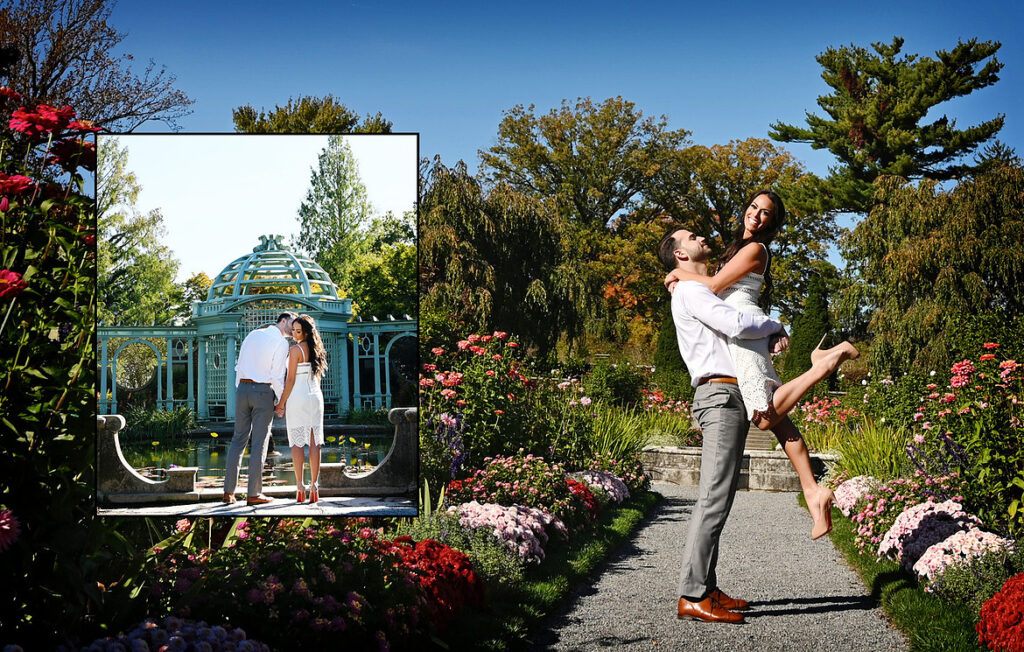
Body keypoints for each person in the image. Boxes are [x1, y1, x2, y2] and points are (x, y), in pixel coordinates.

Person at [664, 190, 858, 540]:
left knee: (765, 416)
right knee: (782, 424)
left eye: (766, 213)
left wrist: (677, 275)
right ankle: (814, 492)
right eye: (754, 207)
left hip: (747, 330)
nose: (757, 215)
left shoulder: (754, 249)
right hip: (744, 330)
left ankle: (822, 366)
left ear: (773, 221)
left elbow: (712, 285)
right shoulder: (737, 248)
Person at [658, 225, 789, 624]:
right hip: (718, 395)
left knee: (721, 496)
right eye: (691, 238)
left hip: (726, 394)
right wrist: (775, 326)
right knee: (714, 497)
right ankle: (693, 594)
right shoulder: (692, 290)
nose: (700, 238)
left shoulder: (698, 287)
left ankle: (707, 586)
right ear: (680, 255)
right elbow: (736, 324)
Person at [222, 312, 296, 506]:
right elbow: (277, 375)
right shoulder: (281, 343)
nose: (293, 327)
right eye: (291, 322)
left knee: (238, 440)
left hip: (242, 390)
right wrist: (281, 403)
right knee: (260, 443)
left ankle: (228, 492)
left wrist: (241, 388)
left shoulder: (253, 334)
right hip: (263, 391)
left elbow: (239, 366)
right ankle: (253, 494)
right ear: (283, 320)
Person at [275, 314, 326, 504]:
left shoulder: (295, 350)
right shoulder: (317, 350)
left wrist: (281, 404)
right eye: (294, 331)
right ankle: (315, 485)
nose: (294, 334)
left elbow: (290, 380)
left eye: (298, 331)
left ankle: (299, 486)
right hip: (315, 396)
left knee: (297, 442)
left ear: (305, 332)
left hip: (298, 397)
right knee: (315, 442)